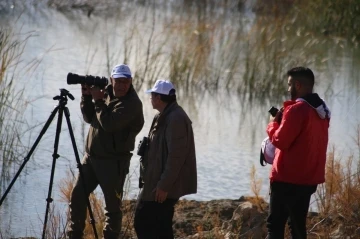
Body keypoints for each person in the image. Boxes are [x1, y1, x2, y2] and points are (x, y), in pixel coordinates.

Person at [67, 64, 144, 239]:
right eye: (118, 81)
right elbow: (90, 118)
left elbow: (109, 125)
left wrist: (98, 101)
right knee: (77, 196)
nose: (121, 85)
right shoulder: (105, 93)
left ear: (130, 82)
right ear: (112, 79)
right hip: (91, 159)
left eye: (125, 81)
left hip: (113, 163)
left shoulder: (132, 104)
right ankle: (74, 235)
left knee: (112, 208)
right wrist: (87, 97)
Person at [266, 67, 331, 239]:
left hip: (287, 179)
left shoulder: (297, 109)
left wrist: (272, 124)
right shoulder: (321, 110)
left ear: (297, 84)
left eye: (289, 85)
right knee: (297, 227)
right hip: (308, 179)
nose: (288, 90)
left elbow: (281, 141)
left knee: (275, 227)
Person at [134, 79, 197, 239]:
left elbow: (176, 157)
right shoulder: (163, 115)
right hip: (155, 182)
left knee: (146, 223)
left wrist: (164, 185)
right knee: (156, 227)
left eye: (152, 95)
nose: (150, 98)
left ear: (159, 98)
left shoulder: (175, 118)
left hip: (163, 187)